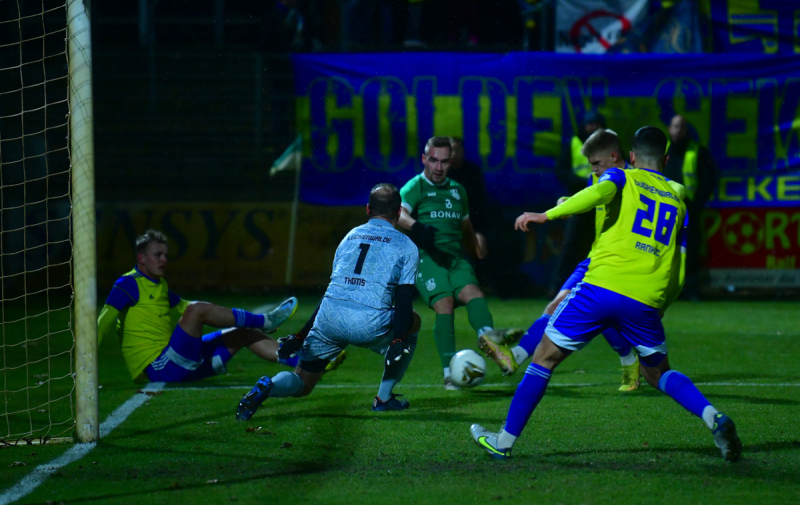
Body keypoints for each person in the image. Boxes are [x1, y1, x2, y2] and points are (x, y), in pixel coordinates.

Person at [470, 126, 742, 462]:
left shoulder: (619, 177)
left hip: (601, 286)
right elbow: (680, 265)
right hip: (645, 300)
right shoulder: (677, 199)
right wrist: (662, 304)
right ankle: (712, 417)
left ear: (630, 157)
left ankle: (503, 441)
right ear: (667, 160)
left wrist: (547, 214)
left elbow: (600, 191)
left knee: (544, 358)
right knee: (659, 373)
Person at [236, 183, 421, 420]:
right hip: (369, 324)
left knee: (302, 383)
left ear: (368, 210)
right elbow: (404, 298)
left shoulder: (349, 237)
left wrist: (301, 335)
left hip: (330, 318)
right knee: (413, 321)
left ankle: (269, 386)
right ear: (398, 213)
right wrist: (398, 339)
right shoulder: (406, 245)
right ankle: (384, 398)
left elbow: (331, 291)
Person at [479, 129, 643, 391]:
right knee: (556, 308)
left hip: (618, 263)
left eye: (597, 164)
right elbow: (590, 196)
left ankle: (629, 358)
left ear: (614, 157)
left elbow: (597, 195)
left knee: (596, 314)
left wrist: (548, 214)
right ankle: (516, 357)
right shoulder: (602, 177)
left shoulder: (627, 179)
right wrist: (569, 202)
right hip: (596, 258)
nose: (593, 170)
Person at [97, 230, 299, 383]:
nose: (164, 260)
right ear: (141, 258)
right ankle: (266, 321)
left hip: (175, 361)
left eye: (166, 255)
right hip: (159, 367)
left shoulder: (159, 285)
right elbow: (104, 320)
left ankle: (304, 362)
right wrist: (86, 361)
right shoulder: (128, 283)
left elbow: (184, 306)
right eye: (158, 255)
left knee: (242, 332)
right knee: (197, 310)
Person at [398, 136, 515, 390]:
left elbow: (465, 225)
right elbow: (399, 213)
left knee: (475, 293)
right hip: (428, 259)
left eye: (444, 162)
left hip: (455, 258)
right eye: (433, 160)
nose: (438, 167)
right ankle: (449, 372)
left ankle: (489, 340)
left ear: (451, 162)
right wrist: (417, 228)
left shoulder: (457, 190)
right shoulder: (415, 186)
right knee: (445, 303)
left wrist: (476, 250)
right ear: (424, 159)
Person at [551, 109, 607, 295]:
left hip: (601, 205)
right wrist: (583, 183)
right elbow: (562, 171)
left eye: (596, 124)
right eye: (590, 124)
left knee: (602, 248)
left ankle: (598, 289)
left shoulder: (609, 146)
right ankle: (558, 287)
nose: (593, 128)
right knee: (570, 248)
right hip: (578, 203)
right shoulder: (574, 143)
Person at [665, 114, 718, 300]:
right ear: (669, 129)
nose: (678, 130)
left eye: (681, 127)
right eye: (674, 126)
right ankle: (670, 290)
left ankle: (691, 289)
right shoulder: (664, 152)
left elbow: (708, 180)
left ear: (686, 130)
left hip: (690, 210)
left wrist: (696, 207)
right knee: (667, 250)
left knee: (691, 250)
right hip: (666, 210)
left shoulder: (698, 151)